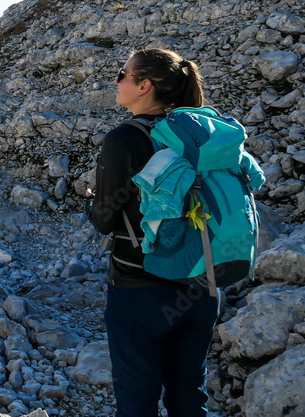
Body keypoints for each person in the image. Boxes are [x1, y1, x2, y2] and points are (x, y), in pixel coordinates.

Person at [87, 48, 219, 417]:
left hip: (141, 288)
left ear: (144, 85)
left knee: (137, 402)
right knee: (189, 396)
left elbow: (104, 220)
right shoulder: (199, 132)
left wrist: (93, 199)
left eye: (122, 74)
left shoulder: (125, 139)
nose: (116, 81)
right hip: (201, 284)